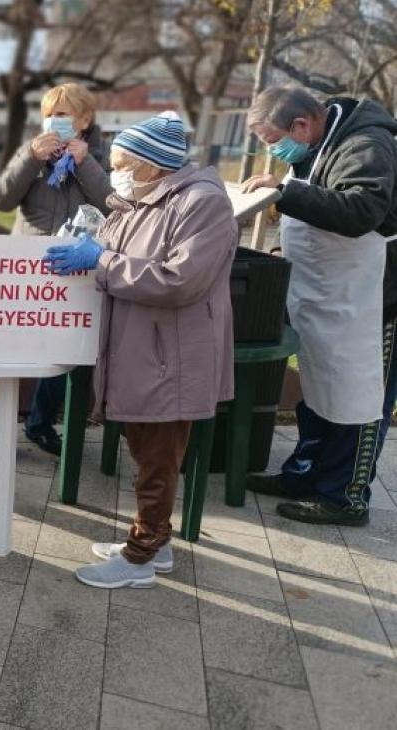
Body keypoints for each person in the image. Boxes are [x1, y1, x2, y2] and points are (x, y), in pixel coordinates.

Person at [46, 112, 236, 589]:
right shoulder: (137, 200)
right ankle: (159, 543)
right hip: (141, 350)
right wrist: (88, 245)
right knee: (146, 449)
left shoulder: (201, 204)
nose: (116, 170)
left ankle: (140, 556)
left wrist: (101, 259)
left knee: (157, 458)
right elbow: (115, 253)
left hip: (171, 354)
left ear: (154, 164)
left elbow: (179, 280)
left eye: (124, 161)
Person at [241, 87, 397, 526]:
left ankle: (345, 497)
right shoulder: (317, 142)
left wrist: (283, 192)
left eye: (274, 141)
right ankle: (305, 473)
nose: (274, 151)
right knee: (321, 386)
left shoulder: (366, 144)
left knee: (361, 398)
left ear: (302, 125)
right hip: (330, 291)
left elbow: (361, 209)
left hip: (376, 296)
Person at [0, 82, 113, 461]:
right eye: (50, 113)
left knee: (61, 353)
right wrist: (31, 160)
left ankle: (39, 425)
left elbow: (111, 204)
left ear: (85, 119)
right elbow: (1, 200)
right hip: (25, 268)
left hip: (72, 269)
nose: (55, 121)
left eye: (64, 113)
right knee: (6, 350)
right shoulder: (34, 151)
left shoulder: (101, 155)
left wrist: (85, 162)